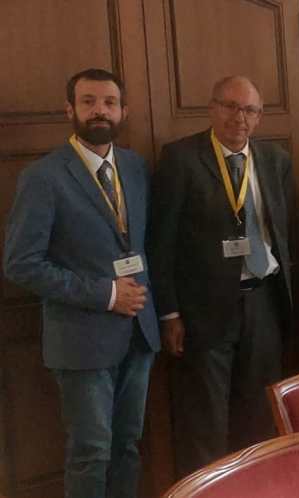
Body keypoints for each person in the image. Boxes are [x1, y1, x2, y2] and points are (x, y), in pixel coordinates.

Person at [3, 68, 161, 497]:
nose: (99, 111)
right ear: (69, 110)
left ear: (124, 111)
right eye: (88, 101)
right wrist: (105, 294)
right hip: (81, 342)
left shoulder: (135, 167)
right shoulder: (43, 177)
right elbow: (21, 264)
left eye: (109, 102)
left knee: (128, 446)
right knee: (91, 453)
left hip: (139, 334)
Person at [148, 75, 294, 477]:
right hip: (204, 310)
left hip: (263, 302)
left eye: (249, 110)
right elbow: (161, 242)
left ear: (259, 117)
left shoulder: (275, 159)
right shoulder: (181, 159)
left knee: (259, 414)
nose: (239, 117)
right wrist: (169, 312)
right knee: (206, 422)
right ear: (212, 108)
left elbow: (281, 232)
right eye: (230, 106)